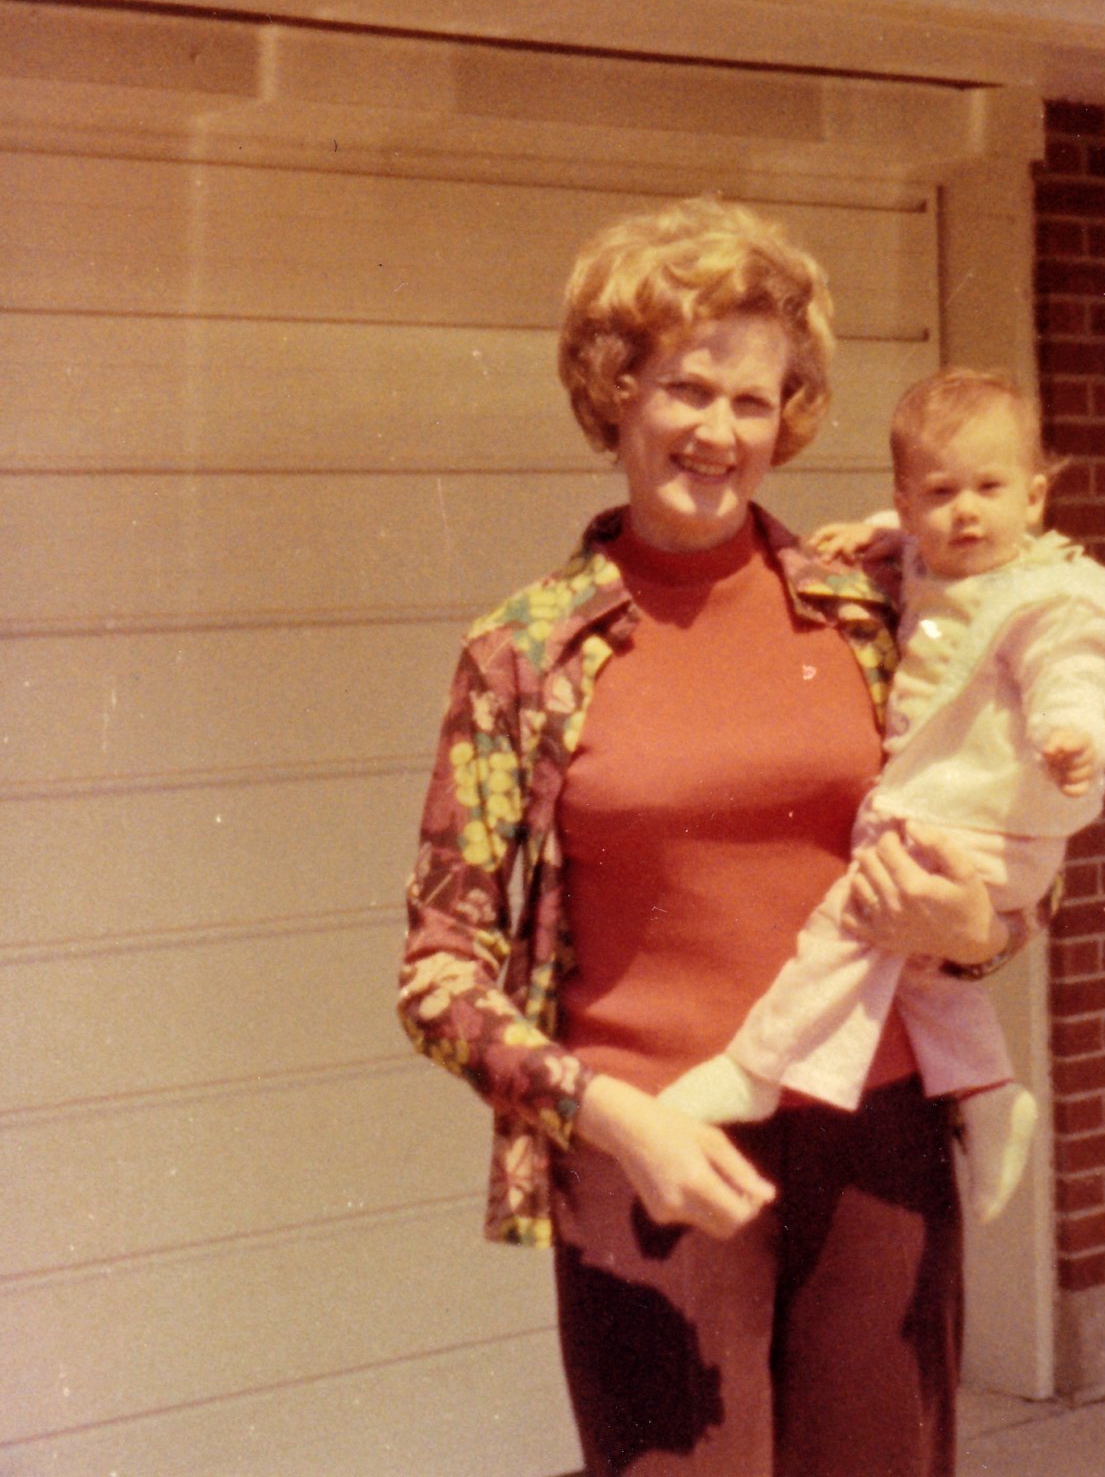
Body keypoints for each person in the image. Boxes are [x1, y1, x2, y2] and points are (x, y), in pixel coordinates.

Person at [397, 198, 1041, 1477]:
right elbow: (437, 973)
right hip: (655, 1153)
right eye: (688, 389)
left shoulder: (875, 614)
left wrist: (976, 932)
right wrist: (610, 1118)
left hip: (879, 1140)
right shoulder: (526, 652)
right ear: (614, 390)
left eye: (756, 400)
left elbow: (999, 866)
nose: (720, 431)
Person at [663, 368, 1105, 1224]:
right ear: (907, 498)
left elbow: (1069, 675)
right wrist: (880, 532)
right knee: (916, 964)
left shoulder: (1049, 601)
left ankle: (755, 1069)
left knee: (855, 918)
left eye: (990, 490)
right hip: (968, 827)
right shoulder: (946, 557)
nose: (965, 513)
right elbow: (927, 535)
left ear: (1036, 498)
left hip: (986, 825)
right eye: (939, 494)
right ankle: (989, 1092)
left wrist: (1075, 735)